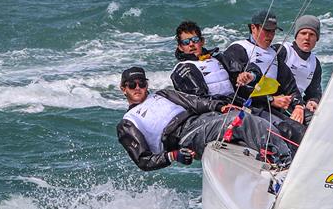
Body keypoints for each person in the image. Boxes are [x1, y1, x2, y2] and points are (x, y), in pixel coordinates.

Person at [116, 67, 290, 171]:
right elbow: (143, 161)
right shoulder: (128, 122)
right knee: (241, 120)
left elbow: (195, 102)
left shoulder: (163, 94)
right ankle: (284, 163)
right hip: (184, 136)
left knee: (251, 118)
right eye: (132, 85)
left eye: (142, 83)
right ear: (123, 89)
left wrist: (219, 106)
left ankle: (278, 159)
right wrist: (173, 156)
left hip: (202, 120)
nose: (137, 88)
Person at [222, 10, 306, 145]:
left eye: (273, 31)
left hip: (272, 109)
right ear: (253, 28)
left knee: (311, 124)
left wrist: (299, 107)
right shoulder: (238, 49)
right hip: (249, 109)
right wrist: (271, 100)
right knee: (293, 132)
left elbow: (290, 86)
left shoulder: (275, 54)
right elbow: (236, 90)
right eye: (267, 30)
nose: (270, 35)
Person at [170, 20, 260, 104]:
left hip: (237, 103)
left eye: (195, 40)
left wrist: (250, 75)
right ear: (180, 47)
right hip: (211, 113)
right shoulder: (183, 69)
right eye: (186, 42)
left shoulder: (219, 58)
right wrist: (222, 106)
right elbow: (198, 101)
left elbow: (249, 67)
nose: (191, 44)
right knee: (252, 120)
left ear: (202, 41)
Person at [274, 15, 322, 125]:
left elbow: (314, 92)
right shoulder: (282, 50)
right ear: (296, 35)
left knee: (317, 122)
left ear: (317, 39)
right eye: (303, 33)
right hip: (276, 102)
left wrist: (312, 101)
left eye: (312, 34)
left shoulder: (315, 63)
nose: (307, 38)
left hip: (297, 105)